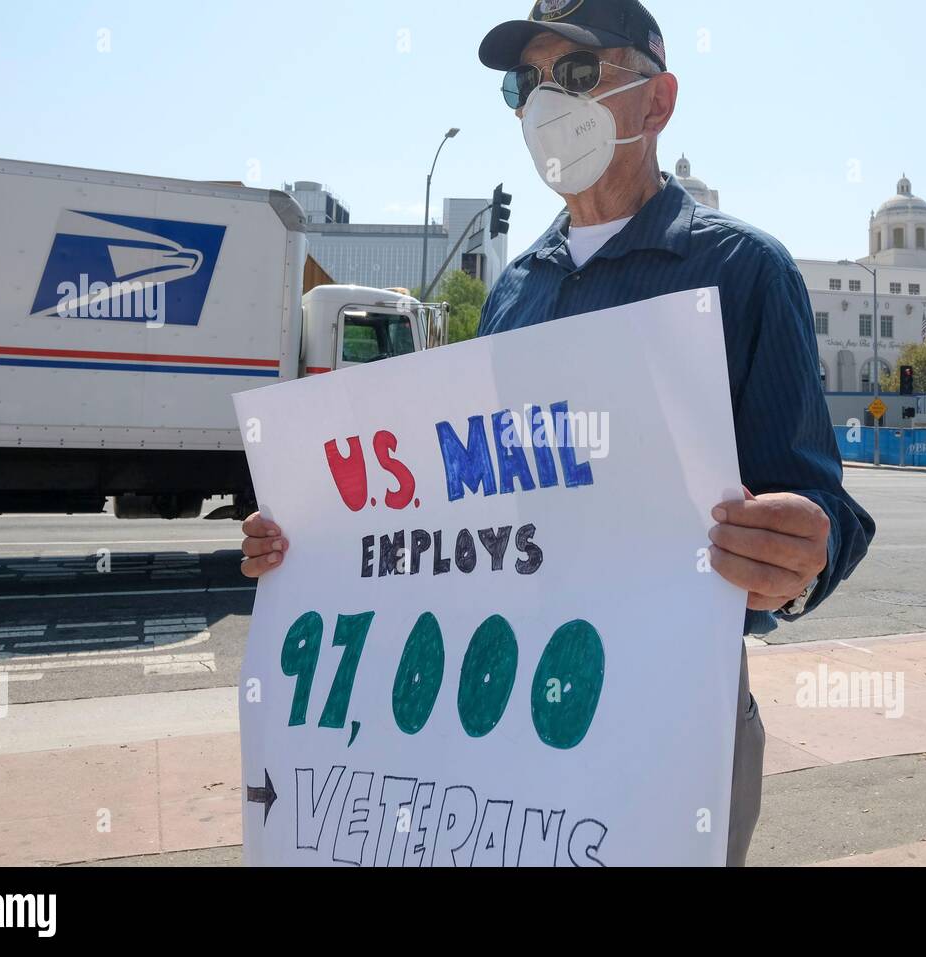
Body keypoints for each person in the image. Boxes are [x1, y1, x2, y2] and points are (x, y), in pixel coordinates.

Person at [239, 0, 875, 867]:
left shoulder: (743, 272)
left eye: (575, 74)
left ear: (657, 103)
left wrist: (805, 549)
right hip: (510, 704)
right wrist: (311, 544)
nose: (545, 103)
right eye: (524, 82)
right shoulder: (513, 294)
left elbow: (823, 500)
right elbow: (465, 497)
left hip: (671, 715)